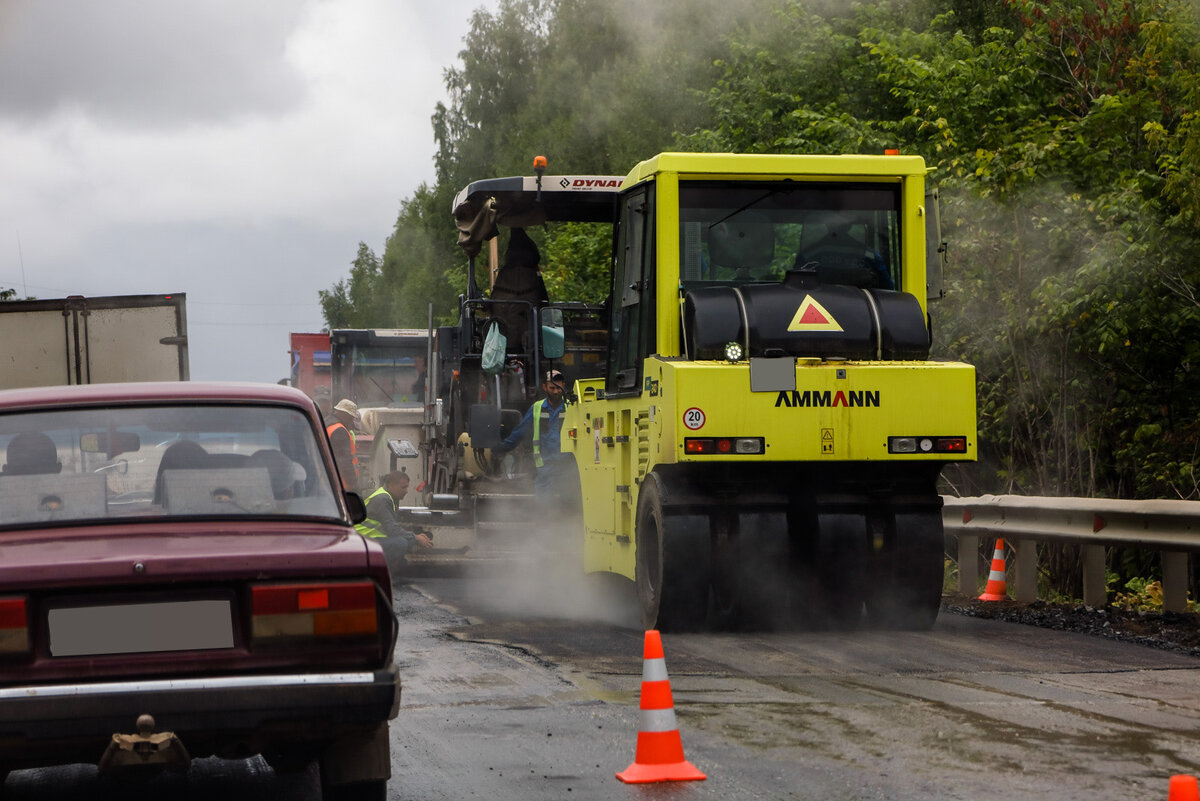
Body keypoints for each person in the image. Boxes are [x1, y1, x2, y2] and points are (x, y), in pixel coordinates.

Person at [494, 369, 578, 514]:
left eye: (559, 387)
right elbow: (520, 432)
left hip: (567, 469)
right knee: (544, 510)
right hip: (545, 469)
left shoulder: (572, 407)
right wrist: (501, 447)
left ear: (564, 385)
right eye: (552, 388)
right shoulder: (537, 409)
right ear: (545, 387)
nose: (556, 391)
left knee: (569, 510)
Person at [355, 470, 433, 577]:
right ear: (391, 485)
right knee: (401, 543)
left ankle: (396, 570)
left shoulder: (386, 496)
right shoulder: (383, 499)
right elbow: (392, 529)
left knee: (404, 540)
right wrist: (416, 538)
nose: (406, 491)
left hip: (367, 538)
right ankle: (381, 574)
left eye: (407, 487)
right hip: (364, 540)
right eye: (403, 487)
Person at [325, 398, 360, 490]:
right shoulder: (340, 430)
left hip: (329, 479)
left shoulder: (327, 424)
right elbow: (344, 460)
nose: (351, 421)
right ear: (345, 414)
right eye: (351, 417)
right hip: (341, 484)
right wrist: (353, 482)